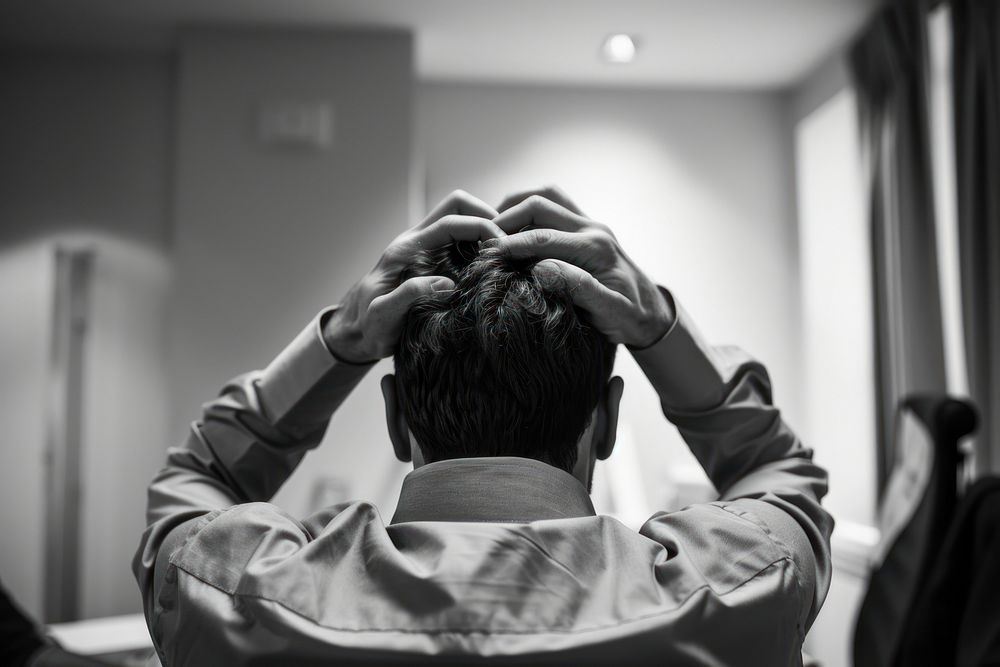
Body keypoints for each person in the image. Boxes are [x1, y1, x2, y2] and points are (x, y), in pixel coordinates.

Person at [134, 188, 833, 666]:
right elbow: (781, 472)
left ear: (395, 417)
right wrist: (659, 329)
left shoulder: (238, 592)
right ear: (609, 418)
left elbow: (198, 477)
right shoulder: (735, 588)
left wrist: (341, 339)